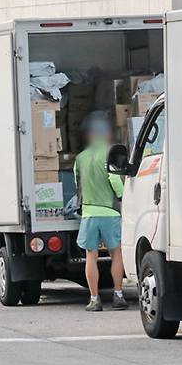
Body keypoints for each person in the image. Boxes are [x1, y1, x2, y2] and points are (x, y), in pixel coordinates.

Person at [74, 114, 128, 312]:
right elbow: (114, 180)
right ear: (105, 134)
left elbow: (77, 184)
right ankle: (118, 296)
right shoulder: (110, 153)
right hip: (110, 213)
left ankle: (94, 299)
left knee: (91, 255)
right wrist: (123, 197)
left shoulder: (80, 158)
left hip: (89, 214)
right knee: (116, 252)